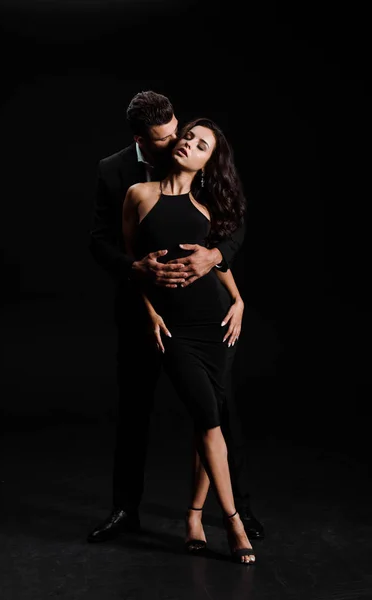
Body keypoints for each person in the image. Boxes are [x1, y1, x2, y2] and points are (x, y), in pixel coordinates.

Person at [86, 91, 264, 549]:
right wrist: (135, 271)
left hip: (205, 313)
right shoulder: (117, 173)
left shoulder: (197, 159)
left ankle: (237, 509)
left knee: (218, 412)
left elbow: (233, 223)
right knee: (134, 408)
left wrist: (218, 258)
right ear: (140, 139)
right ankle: (125, 510)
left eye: (177, 133)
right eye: (162, 140)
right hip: (142, 306)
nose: (175, 145)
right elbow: (102, 241)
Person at [121, 116, 256, 563]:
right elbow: (133, 266)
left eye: (201, 145)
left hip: (215, 324)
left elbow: (218, 263)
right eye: (188, 137)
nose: (189, 145)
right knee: (208, 417)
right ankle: (234, 522)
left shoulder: (205, 208)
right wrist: (151, 313)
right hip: (174, 328)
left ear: (205, 163)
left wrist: (238, 301)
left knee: (208, 417)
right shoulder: (139, 195)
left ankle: (195, 516)